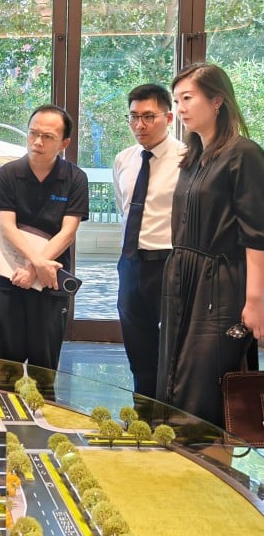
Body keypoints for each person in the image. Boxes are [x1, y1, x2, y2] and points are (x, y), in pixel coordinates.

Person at [158, 63, 264, 428]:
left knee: (202, 387)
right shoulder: (192, 157)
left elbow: (257, 235)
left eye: (188, 98)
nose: (181, 108)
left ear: (217, 100)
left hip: (220, 284)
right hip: (183, 279)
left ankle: (209, 469)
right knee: (173, 378)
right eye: (177, 100)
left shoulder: (243, 154)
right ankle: (179, 467)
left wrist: (255, 301)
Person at [0, 105, 89, 377]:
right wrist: (34, 263)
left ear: (64, 143)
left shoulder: (75, 178)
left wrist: (35, 269)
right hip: (10, 276)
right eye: (33, 133)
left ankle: (41, 418)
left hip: (49, 281)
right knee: (3, 368)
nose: (37, 142)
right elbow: (7, 226)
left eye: (48, 136)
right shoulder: (9, 173)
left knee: (44, 369)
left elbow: (67, 232)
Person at [113, 84, 184, 403]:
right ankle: (143, 407)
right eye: (133, 117)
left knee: (173, 345)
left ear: (168, 117)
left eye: (148, 117)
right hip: (131, 263)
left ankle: (174, 411)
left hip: (169, 262)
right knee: (136, 339)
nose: (139, 125)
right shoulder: (124, 159)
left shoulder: (187, 159)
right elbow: (124, 208)